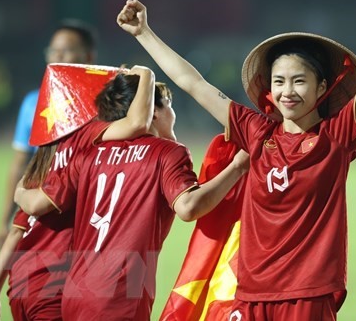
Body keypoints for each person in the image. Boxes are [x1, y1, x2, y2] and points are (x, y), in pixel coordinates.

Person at [117, 0, 356, 320]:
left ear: (322, 88)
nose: (288, 91)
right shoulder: (256, 132)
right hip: (250, 294)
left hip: (309, 294)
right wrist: (144, 34)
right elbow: (193, 83)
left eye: (299, 81)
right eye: (279, 81)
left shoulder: (337, 136)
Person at [13, 71, 249, 320]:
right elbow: (188, 207)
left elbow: (38, 203)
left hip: (74, 295)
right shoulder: (167, 153)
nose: (173, 114)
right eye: (169, 105)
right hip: (122, 296)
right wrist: (238, 167)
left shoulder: (89, 153)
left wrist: (20, 192)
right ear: (153, 111)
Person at [0, 63, 155, 321]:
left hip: (21, 283)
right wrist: (146, 74)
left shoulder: (47, 153)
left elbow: (17, 231)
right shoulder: (85, 139)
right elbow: (137, 123)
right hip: (53, 284)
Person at [0, 20, 98, 248]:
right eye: (53, 50)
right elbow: (20, 164)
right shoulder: (34, 103)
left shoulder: (104, 103)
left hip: (89, 216)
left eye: (67, 50)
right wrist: (5, 221)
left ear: (89, 56)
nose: (57, 56)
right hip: (44, 215)